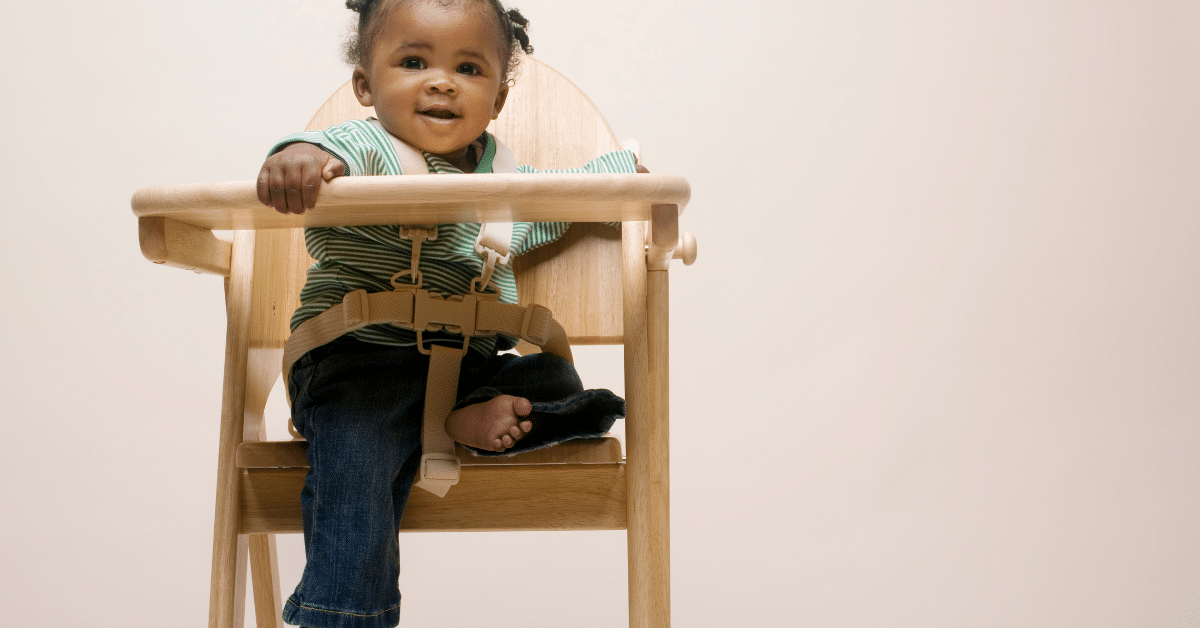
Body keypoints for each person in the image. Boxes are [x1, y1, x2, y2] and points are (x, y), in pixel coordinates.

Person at [256, 1, 636, 626]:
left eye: (468, 67)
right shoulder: (371, 148)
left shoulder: (504, 184)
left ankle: (460, 418)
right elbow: (326, 150)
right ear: (365, 85)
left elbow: (568, 196)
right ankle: (345, 613)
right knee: (358, 467)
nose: (441, 81)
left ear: (499, 96)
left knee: (555, 379)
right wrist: (297, 156)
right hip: (358, 368)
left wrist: (624, 178)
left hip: (466, 368)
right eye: (412, 62)